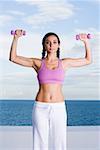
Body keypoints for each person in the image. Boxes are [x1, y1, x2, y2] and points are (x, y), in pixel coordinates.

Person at [9, 30, 92, 150]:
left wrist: (86, 42)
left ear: (58, 45)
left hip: (58, 108)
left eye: (54, 42)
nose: (51, 45)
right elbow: (13, 58)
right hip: (40, 108)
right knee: (40, 143)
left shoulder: (64, 63)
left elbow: (88, 60)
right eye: (48, 42)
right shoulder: (37, 63)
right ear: (44, 45)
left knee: (60, 143)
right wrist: (16, 38)